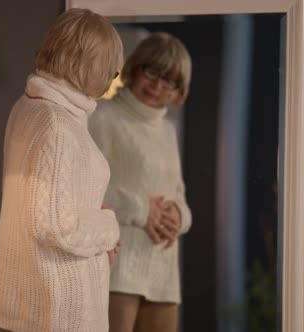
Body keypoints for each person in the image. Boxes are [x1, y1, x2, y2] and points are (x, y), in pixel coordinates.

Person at [0, 8, 123, 332]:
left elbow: (42, 208)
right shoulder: (56, 125)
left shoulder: (27, 108)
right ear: (90, 65)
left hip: (40, 303)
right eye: (110, 67)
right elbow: (55, 225)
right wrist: (107, 228)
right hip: (62, 310)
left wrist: (92, 222)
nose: (113, 76)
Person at [88, 32, 193, 332]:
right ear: (135, 68)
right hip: (118, 266)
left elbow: (180, 197)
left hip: (163, 269)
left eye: (169, 81)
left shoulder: (168, 132)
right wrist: (140, 209)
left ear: (178, 89)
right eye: (152, 72)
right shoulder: (101, 117)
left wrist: (179, 217)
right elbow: (83, 191)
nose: (158, 86)